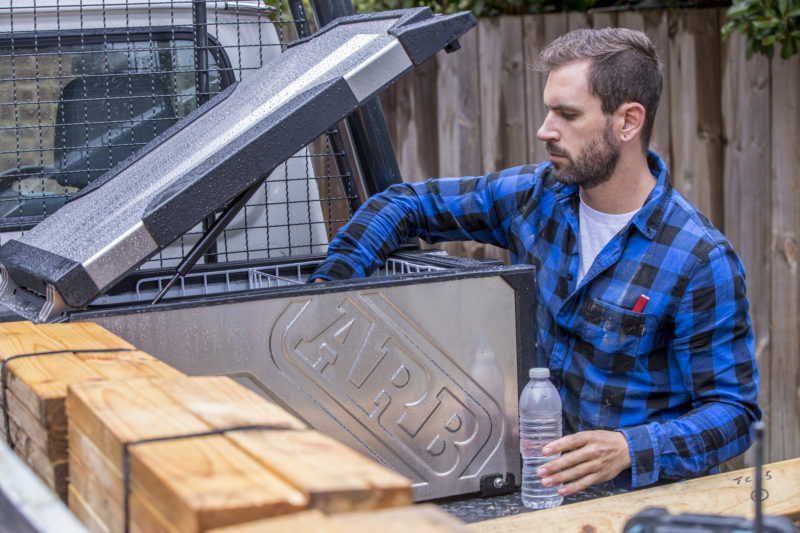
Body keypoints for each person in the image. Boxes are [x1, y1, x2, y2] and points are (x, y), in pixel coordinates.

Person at [309, 28, 761, 496]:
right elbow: (405, 204)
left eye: (567, 115)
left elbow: (734, 414)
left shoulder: (698, 259)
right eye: (549, 110)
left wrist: (630, 447)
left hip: (641, 507)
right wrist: (329, 287)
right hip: (537, 491)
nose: (545, 129)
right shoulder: (535, 198)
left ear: (628, 122)